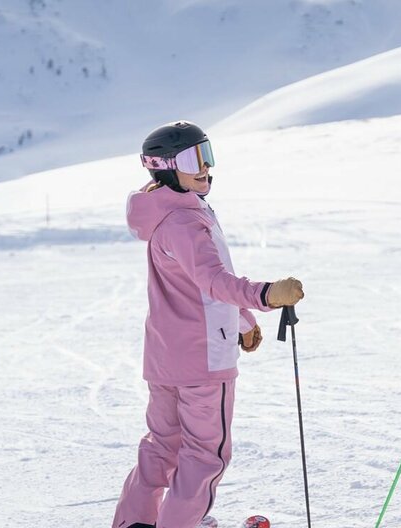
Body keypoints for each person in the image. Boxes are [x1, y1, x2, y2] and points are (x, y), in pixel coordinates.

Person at [112, 121, 306, 528]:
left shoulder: (163, 214)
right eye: (192, 159)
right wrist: (268, 295)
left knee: (162, 447)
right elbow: (215, 281)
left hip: (166, 358)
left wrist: (242, 321)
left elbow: (194, 287)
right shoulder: (185, 222)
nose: (205, 167)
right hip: (202, 362)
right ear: (166, 167)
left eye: (207, 155)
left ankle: (134, 522)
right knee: (205, 456)